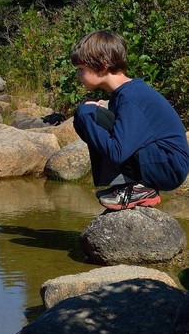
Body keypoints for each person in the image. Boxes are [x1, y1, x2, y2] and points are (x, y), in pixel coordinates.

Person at [71, 30, 189, 210]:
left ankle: (142, 189)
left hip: (169, 168)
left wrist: (85, 114)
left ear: (102, 66)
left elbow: (117, 152)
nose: (78, 75)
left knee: (87, 115)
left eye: (81, 69)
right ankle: (127, 184)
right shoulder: (123, 94)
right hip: (159, 161)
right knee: (91, 115)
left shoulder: (131, 97)